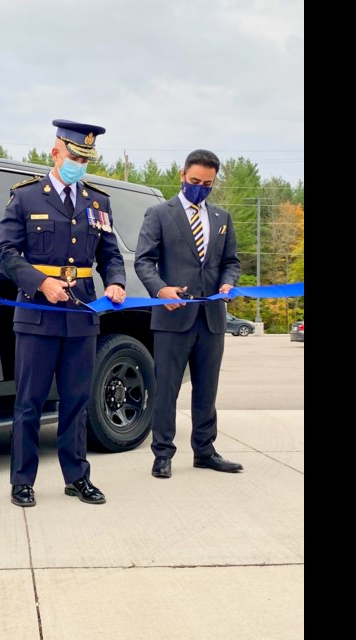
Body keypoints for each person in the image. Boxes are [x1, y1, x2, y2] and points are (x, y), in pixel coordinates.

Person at [0, 119, 126, 508]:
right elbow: (5, 253)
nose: (79, 164)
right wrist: (40, 282)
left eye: (86, 158)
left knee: (76, 401)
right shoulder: (26, 197)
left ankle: (77, 477)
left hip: (81, 315)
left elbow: (110, 254)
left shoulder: (98, 202)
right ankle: (22, 480)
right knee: (29, 403)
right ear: (55, 153)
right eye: (73, 156)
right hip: (37, 315)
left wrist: (116, 281)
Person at [134, 149, 243, 479]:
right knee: (166, 389)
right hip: (172, 317)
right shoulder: (159, 214)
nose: (200, 187)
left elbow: (231, 262)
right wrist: (160, 289)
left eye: (207, 183)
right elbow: (143, 261)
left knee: (207, 389)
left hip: (211, 318)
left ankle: (205, 450)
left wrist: (228, 285)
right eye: (195, 181)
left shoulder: (221, 219)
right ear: (182, 175)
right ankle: (163, 453)